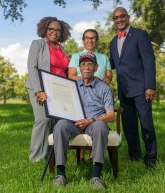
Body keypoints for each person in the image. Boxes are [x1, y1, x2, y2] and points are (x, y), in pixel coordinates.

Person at [52, 52, 114, 190]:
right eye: (83, 64)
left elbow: (110, 115)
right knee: (61, 124)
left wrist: (91, 120)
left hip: (94, 122)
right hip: (74, 123)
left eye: (90, 64)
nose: (86, 67)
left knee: (100, 126)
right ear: (79, 67)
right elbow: (60, 103)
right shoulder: (71, 86)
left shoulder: (104, 88)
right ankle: (61, 175)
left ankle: (95, 176)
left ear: (96, 67)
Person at [109, 7, 157, 169]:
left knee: (146, 125)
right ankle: (134, 155)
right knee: (129, 126)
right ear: (113, 21)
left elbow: (149, 61)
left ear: (128, 17)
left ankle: (150, 158)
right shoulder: (113, 42)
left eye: (122, 16)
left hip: (141, 89)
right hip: (124, 91)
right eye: (116, 18)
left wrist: (150, 86)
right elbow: (112, 64)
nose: (119, 20)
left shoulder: (140, 35)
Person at [25, 16, 72, 162]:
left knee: (55, 122)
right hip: (39, 87)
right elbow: (32, 67)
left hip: (57, 89)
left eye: (58, 30)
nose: (55, 32)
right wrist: (39, 90)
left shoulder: (61, 48)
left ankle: (49, 154)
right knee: (43, 120)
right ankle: (35, 157)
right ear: (45, 29)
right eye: (51, 29)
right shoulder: (38, 44)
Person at [68, 29, 112, 163]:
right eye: (87, 38)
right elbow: (71, 76)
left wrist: (103, 81)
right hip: (82, 89)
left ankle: (95, 156)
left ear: (97, 41)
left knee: (96, 116)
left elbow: (109, 75)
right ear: (83, 41)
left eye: (93, 38)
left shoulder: (104, 57)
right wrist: (88, 76)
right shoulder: (76, 56)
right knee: (83, 111)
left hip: (98, 92)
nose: (90, 40)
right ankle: (81, 156)